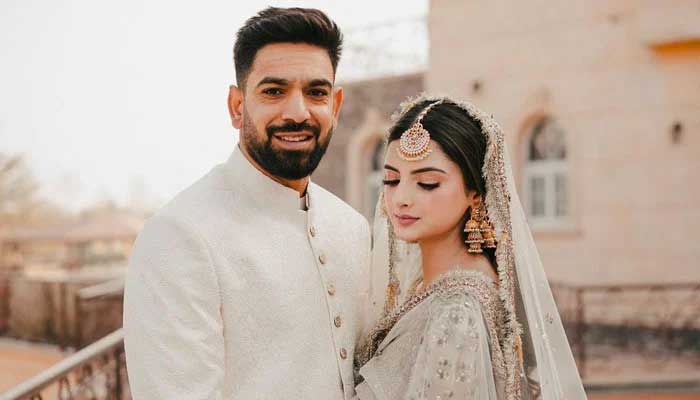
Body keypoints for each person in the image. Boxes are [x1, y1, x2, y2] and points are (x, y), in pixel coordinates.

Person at [123, 7, 371, 399]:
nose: (298, 112)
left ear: (335, 106)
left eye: (316, 92)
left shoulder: (353, 228)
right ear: (237, 107)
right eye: (274, 91)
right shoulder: (179, 236)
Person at [353, 94, 587, 399]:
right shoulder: (440, 285)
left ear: (475, 194)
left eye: (427, 183)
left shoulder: (455, 314)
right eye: (391, 180)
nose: (401, 198)